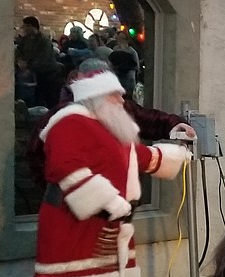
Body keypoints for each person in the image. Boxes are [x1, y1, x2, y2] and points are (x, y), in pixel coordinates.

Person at [26, 69, 191, 277]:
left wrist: (179, 154)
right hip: (74, 226)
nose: (121, 99)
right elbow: (67, 170)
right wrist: (110, 204)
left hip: (112, 227)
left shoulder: (110, 125)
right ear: (96, 96)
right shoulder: (69, 122)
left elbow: (137, 157)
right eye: (115, 94)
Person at [26, 58, 196, 190]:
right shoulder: (63, 119)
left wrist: (175, 125)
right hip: (80, 206)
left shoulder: (121, 108)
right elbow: (38, 155)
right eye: (115, 94)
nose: (121, 100)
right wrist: (52, 188)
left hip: (118, 202)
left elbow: (150, 119)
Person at [16, 16, 63, 108]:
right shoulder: (25, 40)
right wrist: (19, 61)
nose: (24, 29)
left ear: (32, 27)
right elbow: (19, 52)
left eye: (26, 26)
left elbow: (43, 58)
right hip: (32, 75)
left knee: (48, 101)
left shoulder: (43, 41)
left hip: (47, 74)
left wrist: (29, 67)